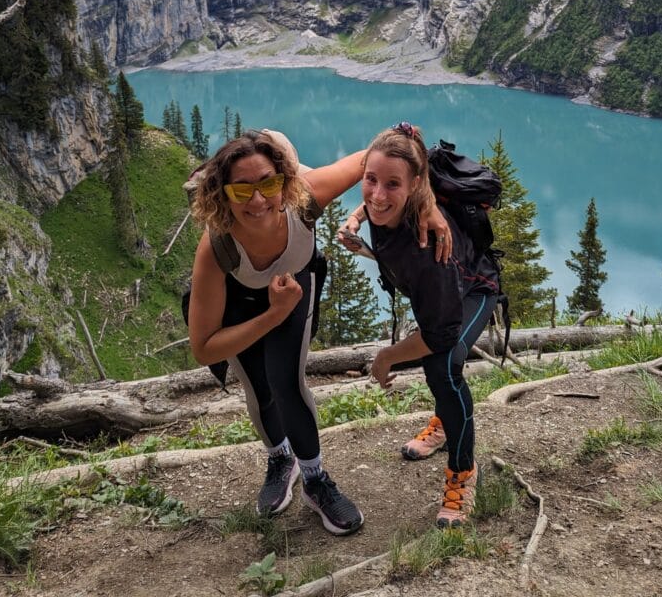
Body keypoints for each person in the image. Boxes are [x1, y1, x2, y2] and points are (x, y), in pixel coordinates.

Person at [187, 128, 450, 536]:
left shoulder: (306, 197)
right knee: (257, 386)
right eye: (241, 191)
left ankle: (314, 479)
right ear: (222, 193)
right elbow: (204, 349)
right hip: (241, 305)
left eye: (268, 184)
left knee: (286, 381)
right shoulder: (216, 247)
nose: (258, 201)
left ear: (285, 181)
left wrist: (426, 201)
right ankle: (281, 460)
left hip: (296, 287)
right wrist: (271, 316)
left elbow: (385, 152)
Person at [340, 122, 498, 529]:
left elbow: (439, 335)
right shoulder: (386, 202)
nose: (377, 195)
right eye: (369, 180)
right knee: (440, 365)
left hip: (475, 289)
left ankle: (463, 471)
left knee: (443, 366)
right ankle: (447, 421)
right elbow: (379, 191)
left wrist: (386, 358)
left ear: (414, 186)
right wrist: (357, 218)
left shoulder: (429, 247)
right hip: (447, 291)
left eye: (392, 185)